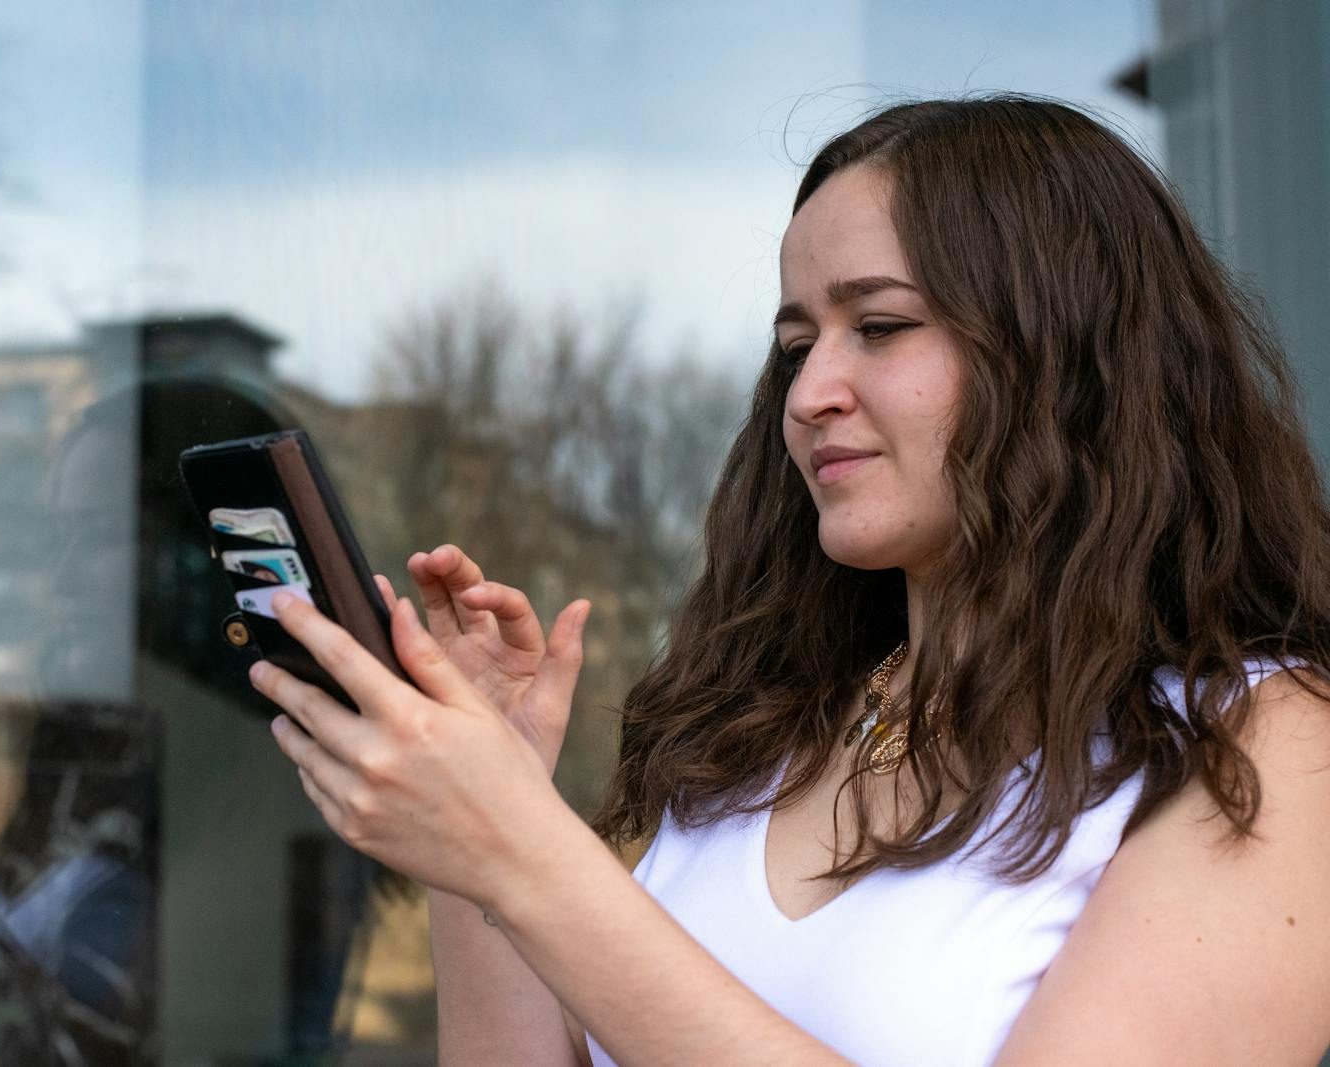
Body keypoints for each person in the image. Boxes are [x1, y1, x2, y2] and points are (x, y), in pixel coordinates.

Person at [248, 94, 1330, 1065]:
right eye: (794, 342)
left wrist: (527, 856)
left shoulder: (1268, 743)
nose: (809, 390)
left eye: (882, 326)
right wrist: (479, 831)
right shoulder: (766, 735)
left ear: (1069, 353)